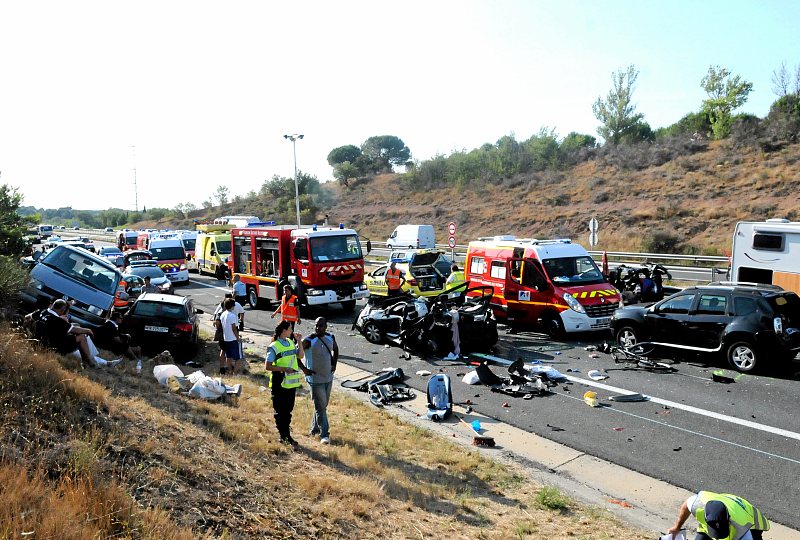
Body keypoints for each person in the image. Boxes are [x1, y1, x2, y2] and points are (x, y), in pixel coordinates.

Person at [264, 321, 309, 445]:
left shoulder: (290, 342)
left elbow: (300, 355)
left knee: (288, 411)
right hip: (279, 382)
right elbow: (267, 366)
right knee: (280, 411)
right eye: (290, 329)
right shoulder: (274, 346)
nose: (292, 331)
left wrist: (299, 341)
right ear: (284, 330)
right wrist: (283, 369)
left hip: (290, 384)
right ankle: (283, 435)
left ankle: (287, 435)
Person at [41, 299, 120, 368]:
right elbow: (75, 330)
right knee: (82, 339)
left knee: (84, 348)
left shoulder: (42, 312)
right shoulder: (58, 320)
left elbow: (28, 317)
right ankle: (93, 362)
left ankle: (99, 362)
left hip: (42, 341)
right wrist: (88, 330)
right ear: (63, 310)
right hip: (53, 346)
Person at [669, 490, 770, 540]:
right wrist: (677, 527)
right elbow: (686, 505)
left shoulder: (741, 526)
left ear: (728, 520)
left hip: (753, 524)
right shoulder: (697, 504)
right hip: (728, 502)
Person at [301, 317, 338, 444]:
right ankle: (324, 434)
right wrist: (304, 369)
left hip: (328, 378)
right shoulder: (309, 340)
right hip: (315, 380)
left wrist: (334, 364)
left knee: (322, 406)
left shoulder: (330, 337)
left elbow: (336, 349)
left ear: (326, 326)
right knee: (321, 407)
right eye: (316, 326)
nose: (318, 328)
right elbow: (295, 354)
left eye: (321, 326)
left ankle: (314, 429)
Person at [220, 298, 245, 374]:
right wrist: (238, 338)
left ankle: (230, 371)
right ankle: (234, 373)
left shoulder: (223, 314)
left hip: (226, 338)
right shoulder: (232, 316)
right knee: (239, 358)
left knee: (229, 356)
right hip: (233, 339)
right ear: (232, 306)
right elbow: (234, 328)